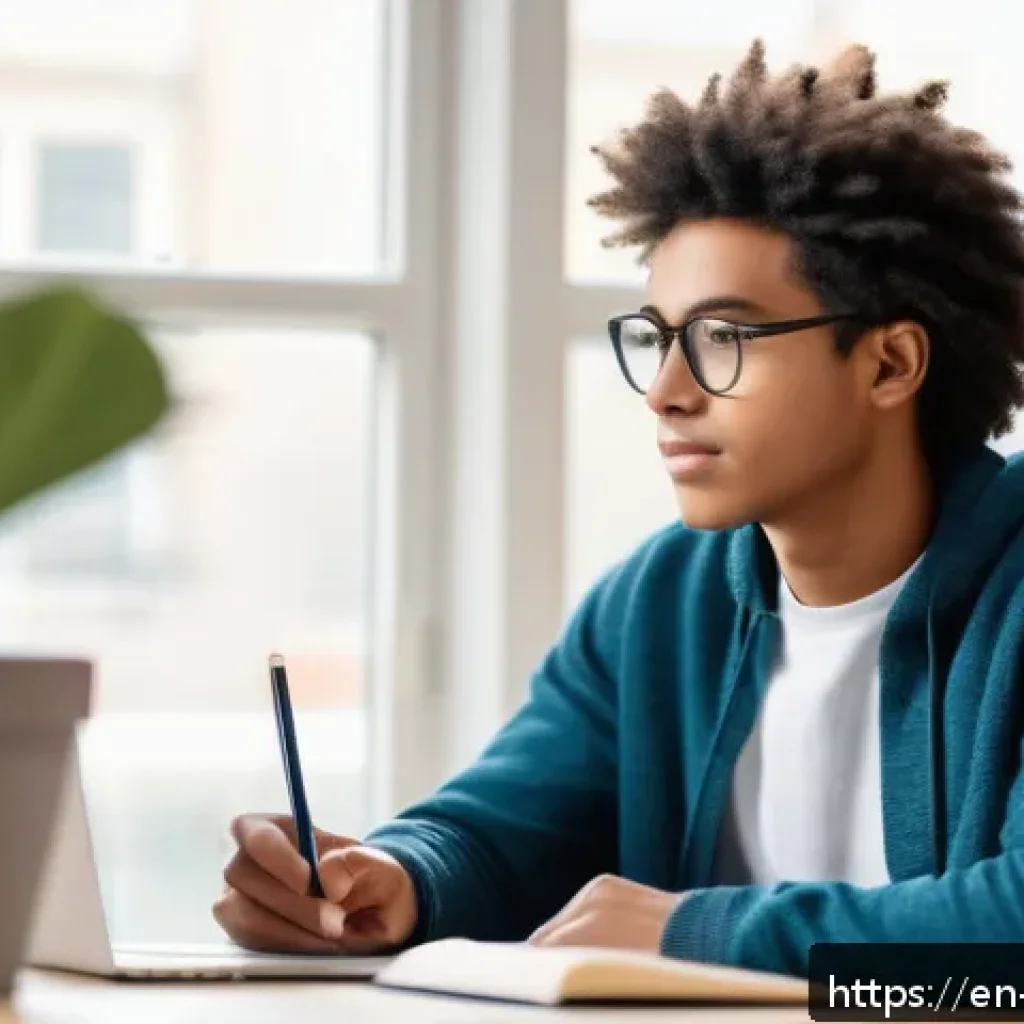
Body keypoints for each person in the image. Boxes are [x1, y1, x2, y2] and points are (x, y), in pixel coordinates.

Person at [213, 40, 1024, 977]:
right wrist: (389, 880)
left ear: (890, 364)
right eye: (657, 338)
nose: (667, 392)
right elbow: (502, 834)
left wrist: (695, 932)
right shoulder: (659, 601)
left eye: (723, 337)